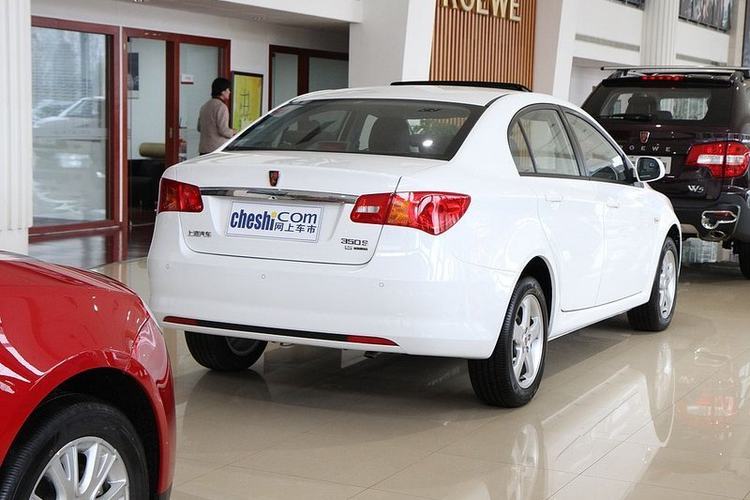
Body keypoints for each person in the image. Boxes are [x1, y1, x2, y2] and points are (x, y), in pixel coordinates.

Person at [198, 77, 236, 155]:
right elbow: (223, 131)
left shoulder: (204, 106)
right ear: (222, 91)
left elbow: (199, 128)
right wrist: (233, 132)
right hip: (217, 149)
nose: (230, 92)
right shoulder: (221, 107)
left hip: (203, 149)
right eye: (228, 89)